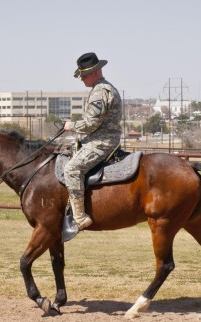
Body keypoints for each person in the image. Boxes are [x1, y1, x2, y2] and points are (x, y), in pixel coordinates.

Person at [63, 52, 122, 231]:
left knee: (72, 169)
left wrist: (71, 125)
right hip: (98, 139)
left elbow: (91, 123)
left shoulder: (100, 92)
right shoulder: (102, 88)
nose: (82, 79)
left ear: (96, 72)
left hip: (101, 142)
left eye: (84, 75)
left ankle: (80, 216)